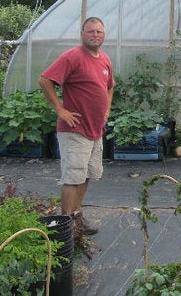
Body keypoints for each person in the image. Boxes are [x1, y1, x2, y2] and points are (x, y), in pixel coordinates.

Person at [38, 17, 114, 237]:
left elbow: (109, 88)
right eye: (91, 31)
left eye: (99, 31)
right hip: (75, 130)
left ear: (104, 34)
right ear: (82, 34)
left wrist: (106, 110)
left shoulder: (104, 59)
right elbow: (45, 80)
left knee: (87, 174)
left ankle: (76, 217)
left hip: (95, 129)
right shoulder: (73, 57)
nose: (95, 35)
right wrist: (60, 110)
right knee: (73, 178)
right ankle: (65, 224)